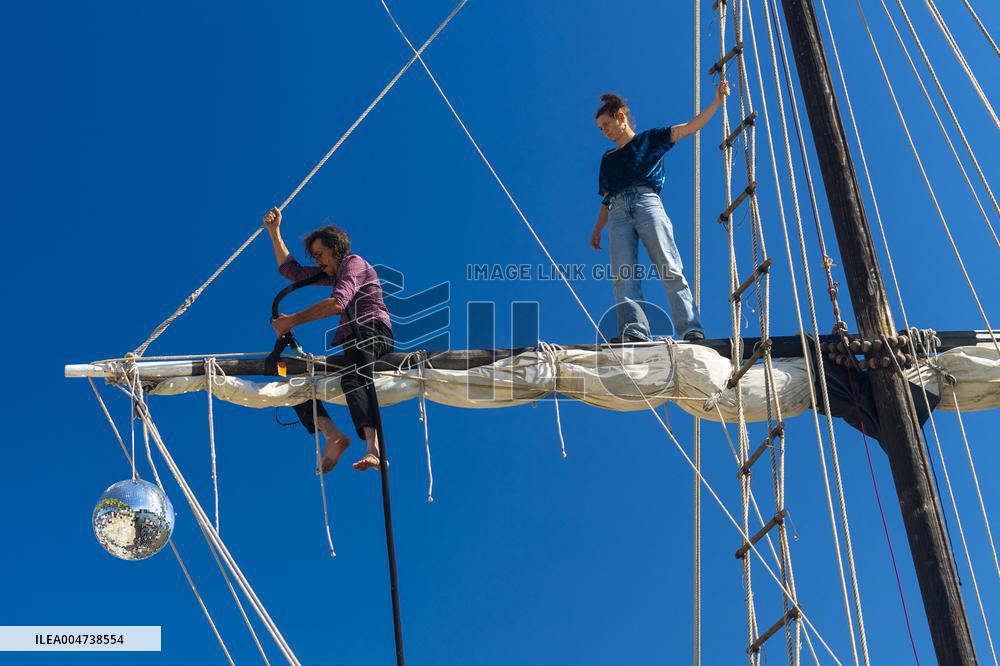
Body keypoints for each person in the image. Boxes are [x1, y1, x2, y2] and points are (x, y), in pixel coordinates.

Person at [590, 80, 731, 343]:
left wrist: (716, 103)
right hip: (618, 212)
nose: (604, 131)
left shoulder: (650, 139)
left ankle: (690, 328)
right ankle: (634, 331)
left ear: (621, 117)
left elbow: (690, 127)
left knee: (668, 266)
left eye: (606, 124)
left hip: (647, 202)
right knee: (624, 275)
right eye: (600, 129)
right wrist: (598, 229)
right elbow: (606, 198)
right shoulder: (607, 159)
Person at [263, 207, 394, 473]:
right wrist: (275, 232)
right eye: (314, 257)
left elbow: (337, 303)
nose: (317, 261)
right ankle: (331, 434)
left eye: (320, 255)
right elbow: (292, 271)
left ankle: (375, 449)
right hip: (352, 340)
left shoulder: (353, 263)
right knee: (296, 378)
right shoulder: (332, 274)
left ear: (335, 249)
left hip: (372, 330)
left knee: (354, 378)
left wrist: (290, 321)